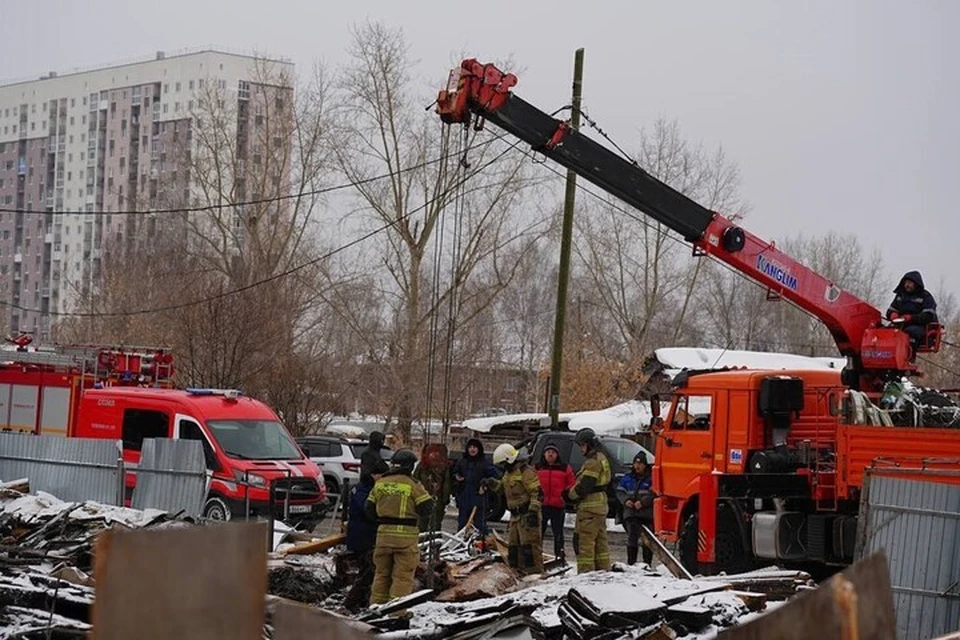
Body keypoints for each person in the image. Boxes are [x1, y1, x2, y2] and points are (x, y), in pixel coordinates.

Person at [365, 449, 433, 606]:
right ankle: (397, 613)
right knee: (402, 577)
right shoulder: (412, 484)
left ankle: (376, 607)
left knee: (381, 574)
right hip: (405, 539)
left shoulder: (380, 483)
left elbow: (368, 510)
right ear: (409, 466)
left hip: (383, 537)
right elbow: (427, 508)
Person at [483, 444, 544, 575]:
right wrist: (491, 483)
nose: (502, 467)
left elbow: (537, 493)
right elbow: (503, 489)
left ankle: (535, 574)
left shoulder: (526, 471)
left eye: (503, 463)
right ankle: (517, 573)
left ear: (509, 459)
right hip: (515, 517)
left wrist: (533, 511)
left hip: (527, 515)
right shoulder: (508, 473)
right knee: (513, 549)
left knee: (530, 548)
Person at [564, 427, 612, 573]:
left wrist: (568, 495)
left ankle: (586, 575)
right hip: (600, 508)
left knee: (583, 544)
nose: (580, 449)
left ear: (590, 444)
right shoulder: (602, 458)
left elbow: (584, 486)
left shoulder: (592, 462)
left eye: (582, 445)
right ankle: (603, 572)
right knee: (600, 544)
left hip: (589, 509)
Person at [342, 473, 377, 612]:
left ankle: (360, 600)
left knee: (367, 570)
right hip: (364, 536)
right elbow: (367, 510)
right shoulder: (364, 491)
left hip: (360, 535)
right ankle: (352, 602)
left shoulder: (359, 488)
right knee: (367, 571)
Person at [536, 444, 575, 562]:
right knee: (538, 533)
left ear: (557, 455)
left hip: (557, 505)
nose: (550, 454)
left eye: (553, 452)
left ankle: (559, 555)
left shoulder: (564, 468)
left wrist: (565, 495)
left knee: (558, 533)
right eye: (548, 452)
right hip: (541, 505)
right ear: (544, 454)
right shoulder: (537, 467)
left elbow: (571, 483)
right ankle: (537, 555)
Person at [452, 438, 497, 533]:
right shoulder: (462, 461)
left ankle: (479, 544)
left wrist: (485, 484)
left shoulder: (484, 462)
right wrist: (457, 476)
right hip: (464, 497)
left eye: (475, 447)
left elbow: (494, 477)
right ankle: (462, 544)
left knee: (479, 526)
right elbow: (454, 472)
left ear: (478, 449)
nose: (472, 449)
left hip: (479, 498)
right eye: (470, 447)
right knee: (462, 525)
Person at [617, 453, 655, 566]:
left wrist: (643, 502)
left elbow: (654, 493)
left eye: (640, 463)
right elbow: (620, 492)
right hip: (631, 513)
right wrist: (625, 500)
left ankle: (647, 563)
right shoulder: (627, 478)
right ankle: (631, 563)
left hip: (646, 514)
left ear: (645, 465)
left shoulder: (651, 478)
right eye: (636, 463)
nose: (637, 466)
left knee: (647, 539)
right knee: (632, 535)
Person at [886, 270, 938, 350]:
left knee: (911, 332)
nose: (907, 285)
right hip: (901, 325)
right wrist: (892, 314)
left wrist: (911, 318)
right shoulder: (900, 296)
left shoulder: (925, 297)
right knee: (885, 331)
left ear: (916, 284)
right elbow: (890, 310)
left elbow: (928, 316)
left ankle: (908, 356)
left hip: (920, 327)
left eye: (910, 283)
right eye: (906, 283)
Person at [412, 443, 452, 532]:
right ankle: (422, 543)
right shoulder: (422, 466)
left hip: (437, 499)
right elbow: (415, 481)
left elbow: (447, 484)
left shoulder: (444, 467)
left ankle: (435, 543)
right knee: (423, 523)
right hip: (423, 498)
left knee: (435, 524)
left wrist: (445, 499)